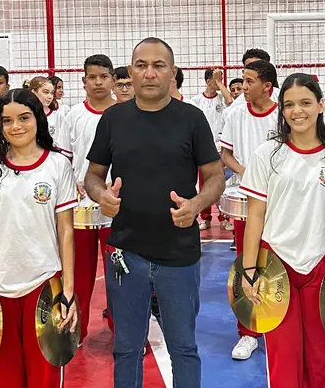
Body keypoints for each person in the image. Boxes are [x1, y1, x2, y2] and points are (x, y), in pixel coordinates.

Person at [85, 37, 225, 388]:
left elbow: (214, 176)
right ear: (131, 72)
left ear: (173, 73)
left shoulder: (191, 119)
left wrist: (196, 205)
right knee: (127, 348)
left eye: (158, 65)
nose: (149, 73)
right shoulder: (113, 119)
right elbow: (92, 176)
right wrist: (101, 195)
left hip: (178, 253)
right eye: (141, 65)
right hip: (125, 252)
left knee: (183, 347)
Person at [240, 73, 325, 388]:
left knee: (321, 363)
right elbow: (255, 214)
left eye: (305, 102)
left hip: (324, 267)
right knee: (283, 361)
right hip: (276, 266)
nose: (297, 111)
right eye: (289, 104)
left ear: (321, 105)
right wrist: (249, 269)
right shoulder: (267, 155)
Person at [0, 88, 79, 388]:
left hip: (44, 285)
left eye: (24, 117)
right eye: (7, 121)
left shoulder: (58, 166)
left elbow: (66, 230)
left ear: (38, 118)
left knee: (45, 380)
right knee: (3, 380)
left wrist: (68, 289)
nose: (16, 127)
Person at [219, 59, 280, 361]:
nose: (243, 86)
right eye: (242, 80)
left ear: (267, 86)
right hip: (247, 199)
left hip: (280, 201)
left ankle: (281, 324)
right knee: (248, 264)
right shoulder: (235, 114)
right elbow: (225, 154)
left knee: (280, 263)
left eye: (250, 80)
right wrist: (247, 172)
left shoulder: (283, 113)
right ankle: (249, 331)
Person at [59, 54, 117, 344]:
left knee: (119, 274)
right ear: (83, 81)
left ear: (112, 80)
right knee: (78, 276)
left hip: (117, 208)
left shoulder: (126, 113)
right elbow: (62, 161)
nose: (97, 82)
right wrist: (76, 187)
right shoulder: (72, 116)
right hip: (80, 209)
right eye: (92, 77)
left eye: (103, 77)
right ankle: (75, 331)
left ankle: (123, 332)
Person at [192, 68, 233, 231]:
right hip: (202, 148)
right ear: (208, 81)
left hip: (220, 147)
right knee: (204, 185)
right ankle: (205, 217)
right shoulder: (196, 101)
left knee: (221, 183)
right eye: (216, 79)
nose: (218, 82)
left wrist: (220, 83)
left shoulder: (223, 99)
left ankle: (224, 217)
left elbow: (231, 101)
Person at [29, 76, 63, 144]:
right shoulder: (26, 115)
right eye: (46, 92)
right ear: (33, 92)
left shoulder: (58, 115)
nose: (50, 97)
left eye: (52, 93)